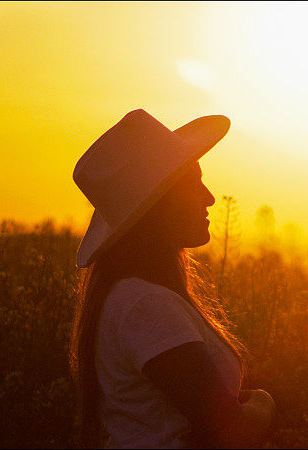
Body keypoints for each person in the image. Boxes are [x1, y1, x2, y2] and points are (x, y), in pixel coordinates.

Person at [69, 109, 275, 448]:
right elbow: (236, 432)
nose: (209, 198)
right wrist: (264, 401)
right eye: (193, 184)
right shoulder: (146, 305)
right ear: (159, 205)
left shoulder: (134, 296)